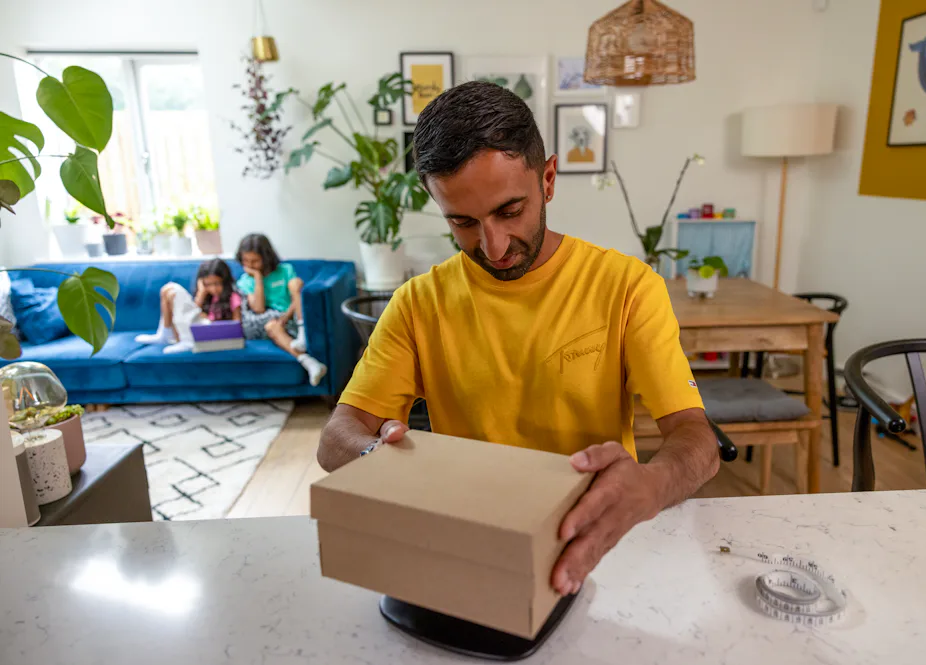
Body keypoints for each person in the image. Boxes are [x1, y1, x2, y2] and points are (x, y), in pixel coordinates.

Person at [317, 81, 719, 598]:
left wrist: (652, 484)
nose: (494, 245)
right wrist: (382, 458)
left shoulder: (627, 287)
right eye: (462, 222)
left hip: (594, 539)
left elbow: (697, 439)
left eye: (510, 211)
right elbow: (336, 439)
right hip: (470, 547)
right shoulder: (419, 304)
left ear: (548, 179)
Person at [235, 233, 327, 386]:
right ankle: (309, 363)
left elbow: (296, 299)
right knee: (272, 326)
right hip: (270, 322)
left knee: (296, 283)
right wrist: (257, 277)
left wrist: (286, 316)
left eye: (255, 261)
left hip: (293, 315)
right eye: (246, 261)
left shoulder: (285, 270)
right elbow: (258, 309)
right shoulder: (245, 281)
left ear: (266, 257)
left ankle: (302, 334)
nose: (249, 265)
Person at [136, 258, 242, 354]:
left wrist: (210, 321)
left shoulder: (233, 297)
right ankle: (165, 333)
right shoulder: (207, 297)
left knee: (174, 290)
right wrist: (202, 293)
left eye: (217, 284)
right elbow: (193, 313)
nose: (213, 289)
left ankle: (184, 340)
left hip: (211, 335)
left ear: (225, 281)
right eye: (208, 284)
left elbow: (236, 326)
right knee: (167, 290)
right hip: (195, 330)